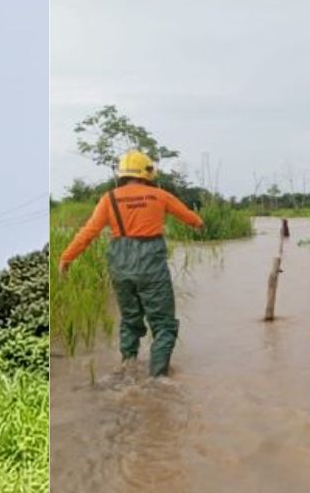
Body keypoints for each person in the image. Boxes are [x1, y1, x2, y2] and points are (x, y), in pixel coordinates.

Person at [57, 150, 204, 378]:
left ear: (123, 173)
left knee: (130, 319)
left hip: (121, 264)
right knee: (163, 324)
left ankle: (127, 366)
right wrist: (198, 223)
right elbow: (190, 217)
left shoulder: (109, 199)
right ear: (147, 172)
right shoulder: (159, 195)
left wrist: (67, 257)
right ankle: (157, 378)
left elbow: (89, 232)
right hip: (151, 263)